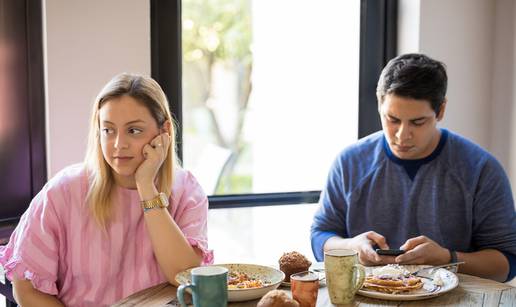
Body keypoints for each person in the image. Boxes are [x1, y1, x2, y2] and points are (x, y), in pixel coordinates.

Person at [0, 73, 213, 306]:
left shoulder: (187, 192)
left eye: (134, 131)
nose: (119, 144)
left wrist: (146, 186)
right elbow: (26, 288)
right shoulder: (63, 191)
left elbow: (184, 277)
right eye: (108, 130)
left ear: (165, 131)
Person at [311, 53, 516, 282]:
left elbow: (508, 261)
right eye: (392, 119)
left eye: (418, 122)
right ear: (380, 104)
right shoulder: (349, 162)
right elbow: (321, 235)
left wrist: (448, 258)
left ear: (440, 111)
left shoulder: (480, 169)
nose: (402, 135)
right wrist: (351, 247)